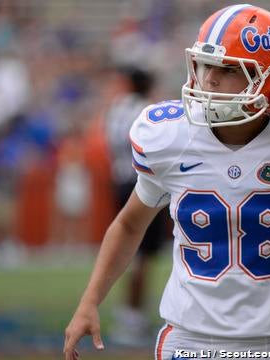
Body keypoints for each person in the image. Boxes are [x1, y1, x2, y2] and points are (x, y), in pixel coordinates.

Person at [64, 5, 270, 359]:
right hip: (188, 341)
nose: (210, 79)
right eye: (206, 65)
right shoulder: (171, 135)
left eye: (228, 69)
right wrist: (90, 301)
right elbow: (130, 224)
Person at [105, 65, 167, 345]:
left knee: (129, 247)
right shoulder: (146, 111)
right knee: (143, 255)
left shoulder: (117, 108)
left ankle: (129, 313)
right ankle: (132, 316)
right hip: (142, 183)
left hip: (119, 180)